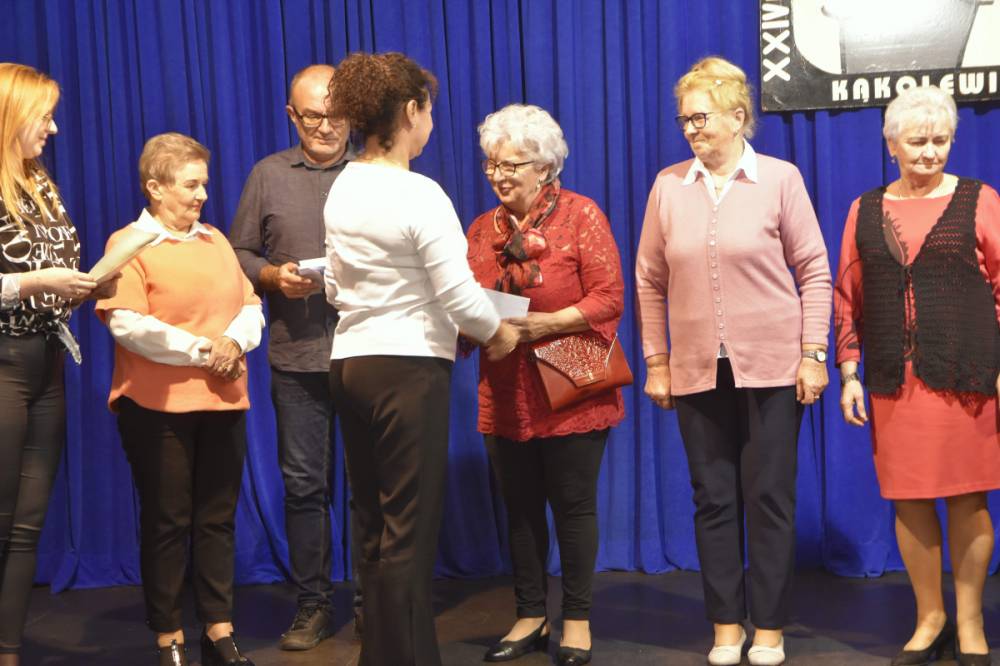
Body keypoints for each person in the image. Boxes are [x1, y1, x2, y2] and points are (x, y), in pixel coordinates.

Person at [635, 57, 832, 666]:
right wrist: (657, 361)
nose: (691, 129)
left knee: (769, 498)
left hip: (774, 366)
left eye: (701, 118)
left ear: (738, 117)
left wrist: (813, 353)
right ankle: (726, 625)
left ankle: (768, 627)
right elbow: (649, 280)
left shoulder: (779, 179)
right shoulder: (669, 186)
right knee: (712, 498)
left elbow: (814, 270)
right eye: (684, 120)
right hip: (697, 368)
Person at [323, 51, 518, 666]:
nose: (432, 122)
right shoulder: (419, 192)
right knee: (408, 531)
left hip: (351, 363)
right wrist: (498, 332)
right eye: (429, 110)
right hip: (406, 369)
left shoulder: (343, 185)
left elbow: (334, 284)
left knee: (375, 527)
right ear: (411, 110)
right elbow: (458, 295)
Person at [835, 85, 999, 666]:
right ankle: (930, 617)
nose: (930, 151)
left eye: (941, 140)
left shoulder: (980, 200)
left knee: (968, 499)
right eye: (917, 141)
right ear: (891, 146)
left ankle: (971, 621)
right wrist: (849, 372)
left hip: (967, 376)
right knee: (909, 501)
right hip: (893, 381)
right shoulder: (864, 209)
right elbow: (848, 296)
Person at [95, 133, 264, 666]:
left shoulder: (216, 241)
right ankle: (168, 635)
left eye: (203, 185)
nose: (202, 196)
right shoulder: (129, 244)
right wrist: (204, 351)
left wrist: (233, 341)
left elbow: (251, 305)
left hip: (222, 401)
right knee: (168, 521)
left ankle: (219, 629)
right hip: (158, 408)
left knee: (217, 518)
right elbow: (128, 325)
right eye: (191, 185)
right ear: (155, 188)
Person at [465, 104, 625, 666]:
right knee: (521, 509)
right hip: (505, 388)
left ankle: (576, 619)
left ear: (546, 167)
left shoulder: (581, 215)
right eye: (492, 164)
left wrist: (545, 324)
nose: (499, 175)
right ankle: (530, 614)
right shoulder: (481, 229)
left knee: (574, 508)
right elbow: (470, 304)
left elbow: (609, 297)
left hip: (570, 382)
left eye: (512, 165)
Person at [229, 63, 360, 650]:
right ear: (291, 116)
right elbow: (239, 252)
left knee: (371, 486)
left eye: (336, 115)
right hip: (296, 357)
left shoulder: (374, 175)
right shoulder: (268, 175)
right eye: (312, 117)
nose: (326, 127)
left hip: (367, 354)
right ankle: (313, 605)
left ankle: (375, 604)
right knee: (305, 487)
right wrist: (271, 277)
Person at [0, 62, 116, 666]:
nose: (53, 129)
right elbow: (24, 281)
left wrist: (86, 285)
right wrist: (33, 283)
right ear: (11, 115)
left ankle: (8, 652)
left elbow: (54, 268)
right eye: (44, 117)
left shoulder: (38, 181)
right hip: (2, 362)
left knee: (27, 525)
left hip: (46, 361)